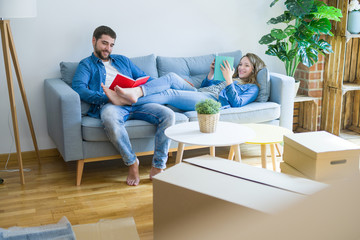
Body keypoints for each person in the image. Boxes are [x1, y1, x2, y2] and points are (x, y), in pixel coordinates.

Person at [72, 25, 190, 186]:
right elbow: (79, 88)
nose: (108, 49)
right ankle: (132, 162)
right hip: (111, 105)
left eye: (111, 45)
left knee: (168, 115)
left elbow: (144, 77)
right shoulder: (86, 65)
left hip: (137, 101)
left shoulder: (122, 60)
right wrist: (108, 98)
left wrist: (137, 87)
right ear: (94, 41)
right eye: (104, 43)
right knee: (109, 118)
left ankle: (158, 166)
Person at [103, 53, 266, 111]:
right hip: (201, 93)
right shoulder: (234, 77)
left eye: (246, 65)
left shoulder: (253, 88)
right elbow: (205, 88)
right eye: (241, 64)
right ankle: (136, 92)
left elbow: (237, 103)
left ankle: (126, 101)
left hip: (213, 102)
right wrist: (210, 74)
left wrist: (229, 80)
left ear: (254, 69)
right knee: (172, 77)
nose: (241, 67)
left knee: (169, 94)